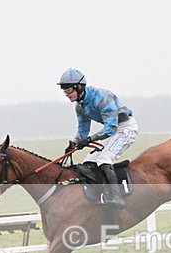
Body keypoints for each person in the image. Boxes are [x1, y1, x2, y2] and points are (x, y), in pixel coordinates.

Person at [58, 68, 139, 208]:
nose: (66, 94)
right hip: (113, 132)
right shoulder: (80, 107)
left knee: (104, 158)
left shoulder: (102, 97)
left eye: (68, 90)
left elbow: (110, 128)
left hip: (126, 128)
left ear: (79, 87)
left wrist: (89, 140)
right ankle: (101, 195)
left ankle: (117, 197)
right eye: (64, 91)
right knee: (89, 161)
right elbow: (83, 130)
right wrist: (74, 143)